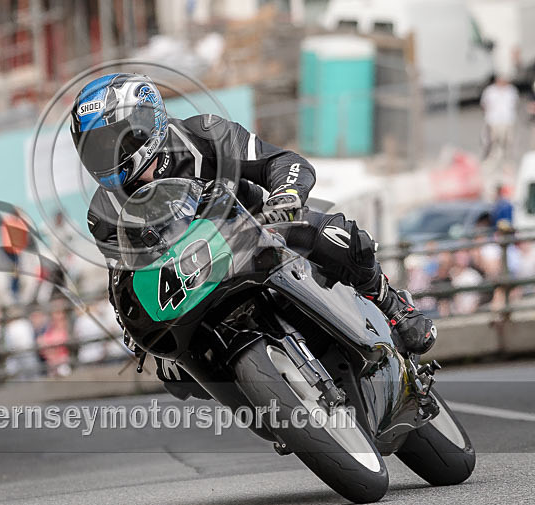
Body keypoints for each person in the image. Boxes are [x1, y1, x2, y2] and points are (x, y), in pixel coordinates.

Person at [70, 73, 436, 363]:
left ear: (144, 121)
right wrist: (131, 326)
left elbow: (283, 163)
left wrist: (286, 195)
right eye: (98, 149)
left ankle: (393, 307)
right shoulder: (104, 215)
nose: (110, 155)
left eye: (115, 140)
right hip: (195, 281)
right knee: (171, 368)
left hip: (258, 231)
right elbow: (123, 276)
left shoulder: (204, 134)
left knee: (334, 234)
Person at [480, 75, 518, 161]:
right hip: (493, 120)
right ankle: (492, 158)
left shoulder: (511, 90)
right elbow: (484, 104)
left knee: (508, 141)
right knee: (492, 141)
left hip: (507, 120)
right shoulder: (490, 91)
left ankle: (507, 159)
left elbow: (514, 103)